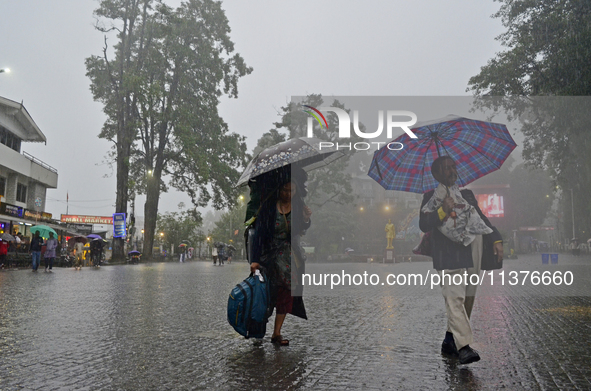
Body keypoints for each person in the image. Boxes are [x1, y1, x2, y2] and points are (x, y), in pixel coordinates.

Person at [419, 156, 503, 365]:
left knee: (467, 297)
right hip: (447, 254)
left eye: (453, 167)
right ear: (436, 174)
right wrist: (442, 210)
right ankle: (463, 346)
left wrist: (496, 239)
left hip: (471, 250)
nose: (452, 171)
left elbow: (482, 218)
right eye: (446, 168)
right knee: (455, 297)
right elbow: (424, 223)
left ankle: (450, 339)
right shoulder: (430, 197)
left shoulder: (466, 194)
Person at [249, 166, 312, 346]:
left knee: (287, 292)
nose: (287, 193)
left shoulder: (298, 205)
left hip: (290, 257)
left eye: (291, 190)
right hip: (269, 256)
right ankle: (258, 327)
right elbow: (259, 234)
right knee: (266, 293)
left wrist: (306, 219)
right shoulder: (269, 207)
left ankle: (277, 333)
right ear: (279, 189)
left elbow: (302, 229)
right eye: (284, 190)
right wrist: (254, 259)